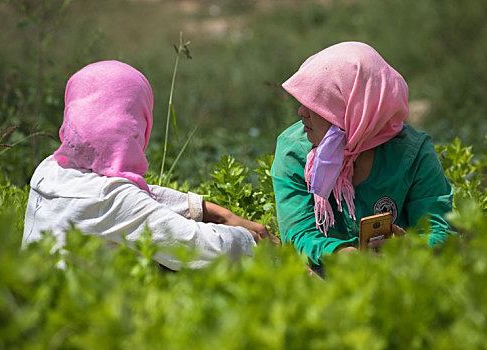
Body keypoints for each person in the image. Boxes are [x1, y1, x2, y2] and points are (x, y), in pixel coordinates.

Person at [23, 60, 279, 271]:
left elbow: (141, 198)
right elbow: (202, 249)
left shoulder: (47, 171)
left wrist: (220, 214)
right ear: (134, 124)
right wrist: (252, 239)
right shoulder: (113, 199)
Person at [271, 42, 453, 272]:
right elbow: (299, 235)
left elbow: (439, 229)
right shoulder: (294, 152)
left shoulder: (412, 153)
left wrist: (411, 247)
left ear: (356, 109)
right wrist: (343, 255)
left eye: (318, 104)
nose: (301, 112)